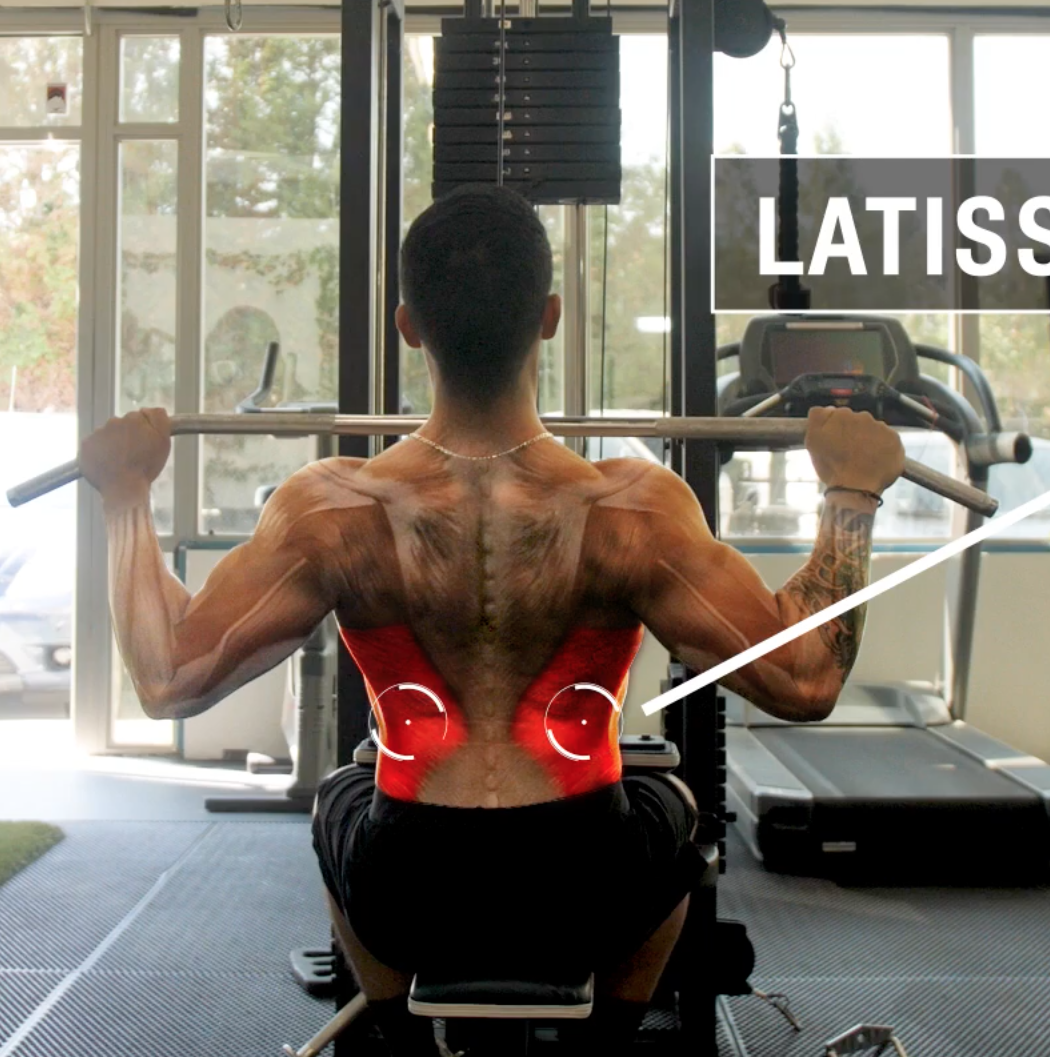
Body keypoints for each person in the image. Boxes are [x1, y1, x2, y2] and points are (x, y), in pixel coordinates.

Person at [78, 184, 906, 1054]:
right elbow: (806, 678)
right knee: (675, 805)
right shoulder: (635, 509)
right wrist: (849, 496)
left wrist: (126, 497)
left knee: (339, 798)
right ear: (549, 318)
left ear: (407, 325)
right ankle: (609, 1038)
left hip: (408, 883)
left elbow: (168, 677)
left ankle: (398, 1031)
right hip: (586, 877)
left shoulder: (331, 508)